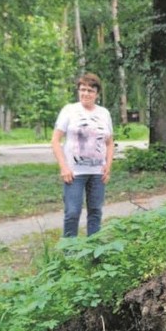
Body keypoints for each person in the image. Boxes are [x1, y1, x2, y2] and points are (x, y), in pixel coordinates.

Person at [51, 73, 114, 237]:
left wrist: (108, 166)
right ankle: (70, 253)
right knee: (72, 212)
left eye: (90, 90)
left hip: (97, 173)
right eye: (82, 90)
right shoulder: (69, 110)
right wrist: (64, 167)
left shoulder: (104, 113)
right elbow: (55, 141)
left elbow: (109, 142)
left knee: (95, 211)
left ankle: (94, 252)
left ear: (97, 93)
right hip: (74, 173)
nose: (86, 94)